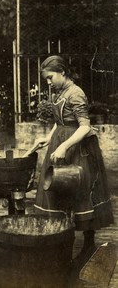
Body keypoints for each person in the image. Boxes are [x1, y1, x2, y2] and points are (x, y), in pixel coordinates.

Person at [33, 55, 114, 265]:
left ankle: (88, 245)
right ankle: (61, 241)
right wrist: (49, 138)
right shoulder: (59, 92)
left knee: (82, 193)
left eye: (50, 78)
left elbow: (85, 126)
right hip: (61, 143)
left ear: (62, 72)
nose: (49, 83)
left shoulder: (76, 93)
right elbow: (59, 122)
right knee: (58, 190)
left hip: (78, 148)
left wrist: (63, 145)